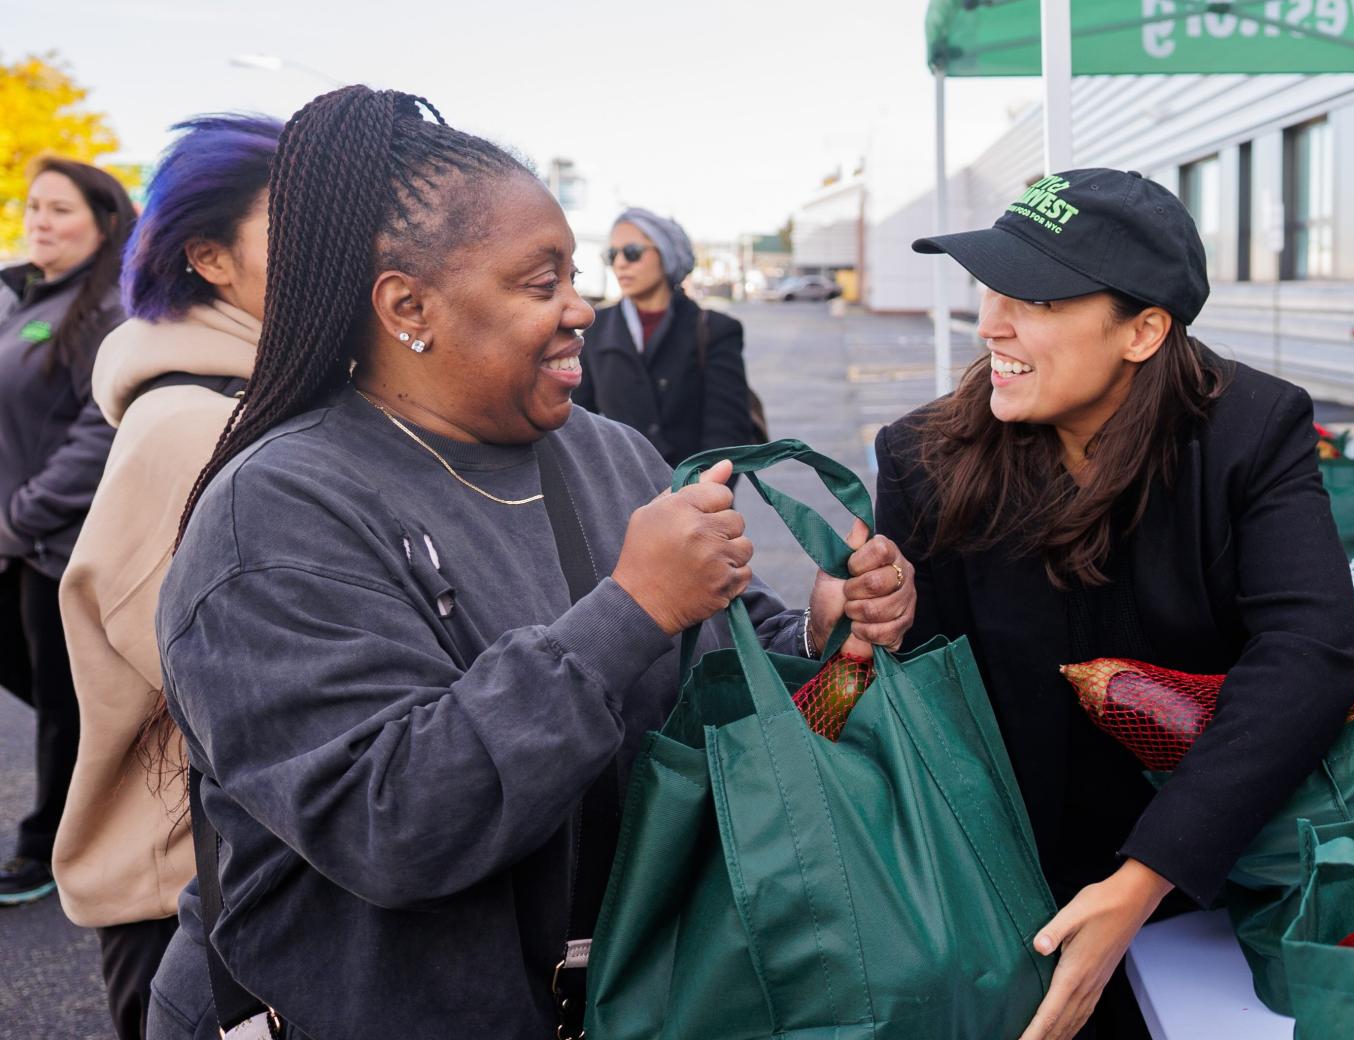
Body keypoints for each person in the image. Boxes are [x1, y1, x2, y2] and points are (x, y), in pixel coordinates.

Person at [146, 87, 912, 1039]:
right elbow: (392, 822)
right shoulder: (275, 513)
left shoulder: (608, 452)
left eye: (576, 275)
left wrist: (815, 627)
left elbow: (714, 639)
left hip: (632, 999)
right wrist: (630, 606)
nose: (581, 308)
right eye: (539, 283)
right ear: (407, 307)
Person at [878, 168, 1354, 1040]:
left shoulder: (1252, 431)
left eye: (1033, 296)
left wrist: (1146, 879)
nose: (991, 321)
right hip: (999, 900)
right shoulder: (923, 457)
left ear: (1143, 331)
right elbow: (915, 704)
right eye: (990, 287)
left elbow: (1309, 655)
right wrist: (850, 618)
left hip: (1204, 889)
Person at [52, 114, 281, 1040]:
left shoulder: (248, 396)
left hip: (231, 876)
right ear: (209, 258)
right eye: (298, 223)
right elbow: (260, 700)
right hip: (187, 902)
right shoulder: (193, 426)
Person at [0, 156, 135, 906]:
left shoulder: (109, 308)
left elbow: (99, 431)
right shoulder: (23, 296)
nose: (39, 223)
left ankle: (48, 848)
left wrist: (21, 516)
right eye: (33, 208)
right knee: (65, 702)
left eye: (60, 210)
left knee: (61, 703)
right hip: (16, 541)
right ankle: (103, 776)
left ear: (104, 223)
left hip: (61, 544)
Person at [568, 207, 761, 465]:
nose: (620, 263)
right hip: (620, 493)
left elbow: (726, 430)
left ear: (666, 254)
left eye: (632, 252)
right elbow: (581, 420)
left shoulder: (715, 330)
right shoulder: (597, 325)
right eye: (612, 255)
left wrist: (703, 492)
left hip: (692, 492)